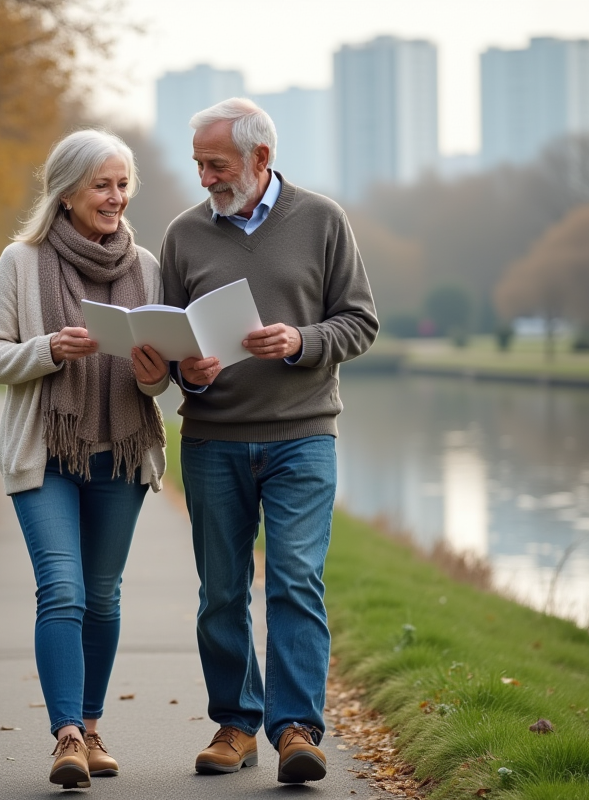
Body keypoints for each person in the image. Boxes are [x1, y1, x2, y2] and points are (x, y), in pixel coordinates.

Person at [156, 98, 378, 784]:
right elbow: (163, 340)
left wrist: (301, 340)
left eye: (214, 163)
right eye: (197, 163)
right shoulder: (184, 236)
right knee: (221, 590)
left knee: (293, 580)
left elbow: (360, 322)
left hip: (303, 437)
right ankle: (236, 724)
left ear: (260, 158)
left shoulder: (322, 220)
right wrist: (180, 368)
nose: (203, 178)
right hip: (213, 438)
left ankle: (296, 730)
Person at [0, 129, 170, 790]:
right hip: (46, 452)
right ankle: (64, 738)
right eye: (102, 185)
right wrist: (50, 349)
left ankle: (91, 727)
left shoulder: (145, 265)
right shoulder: (21, 262)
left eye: (122, 185)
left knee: (104, 596)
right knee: (64, 588)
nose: (115, 197)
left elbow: (156, 382)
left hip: (122, 454)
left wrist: (152, 373)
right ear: (67, 191)